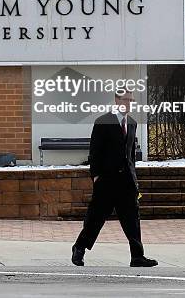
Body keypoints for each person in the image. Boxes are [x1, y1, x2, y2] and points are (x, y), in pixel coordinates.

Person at [72, 91, 158, 267]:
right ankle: (79, 247)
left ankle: (137, 256)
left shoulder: (132, 124)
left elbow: (131, 157)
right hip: (106, 181)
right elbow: (94, 152)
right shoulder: (103, 121)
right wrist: (96, 176)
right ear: (117, 100)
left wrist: (134, 180)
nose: (128, 103)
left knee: (132, 219)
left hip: (127, 182)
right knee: (95, 219)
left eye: (130, 100)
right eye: (125, 100)